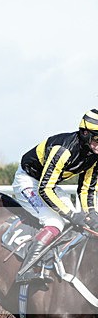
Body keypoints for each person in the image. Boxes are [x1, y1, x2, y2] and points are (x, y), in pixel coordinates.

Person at [14, 109, 98, 283]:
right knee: (57, 221)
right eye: (97, 139)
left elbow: (86, 190)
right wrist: (72, 215)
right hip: (28, 181)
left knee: (78, 220)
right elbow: (44, 189)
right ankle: (25, 270)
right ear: (85, 134)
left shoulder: (94, 156)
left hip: (49, 184)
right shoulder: (63, 150)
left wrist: (91, 215)